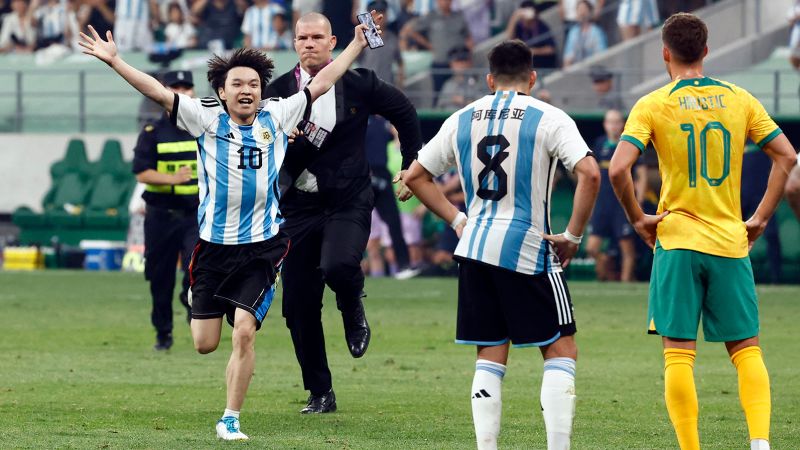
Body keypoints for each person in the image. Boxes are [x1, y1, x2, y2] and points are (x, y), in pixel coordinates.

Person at [79, 13, 378, 439]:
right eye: (237, 84)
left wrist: (355, 45)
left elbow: (323, 80)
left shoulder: (278, 115)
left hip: (262, 248)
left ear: (261, 90)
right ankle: (202, 303)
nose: (247, 90)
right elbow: (158, 90)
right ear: (221, 92)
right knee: (205, 343)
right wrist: (115, 61)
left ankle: (231, 418)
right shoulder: (205, 119)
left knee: (244, 332)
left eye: (253, 84)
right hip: (213, 249)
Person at [608, 13, 797, 450]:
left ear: (665, 54)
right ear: (706, 51)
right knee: (746, 350)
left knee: (678, 354)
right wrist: (761, 218)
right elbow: (786, 158)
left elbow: (618, 168)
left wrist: (638, 218)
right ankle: (760, 442)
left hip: (676, 240)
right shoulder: (740, 99)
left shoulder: (654, 104)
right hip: (731, 242)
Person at [405, 39, 601, 450]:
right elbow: (590, 173)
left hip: (475, 247)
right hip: (528, 248)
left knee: (491, 353)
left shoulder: (462, 117)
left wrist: (458, 219)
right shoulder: (549, 116)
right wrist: (573, 236)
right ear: (533, 77)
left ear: (490, 79)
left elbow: (415, 177)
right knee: (561, 348)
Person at [265, 12, 422, 414]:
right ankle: (320, 392)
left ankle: (352, 305)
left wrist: (410, 162)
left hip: (348, 198)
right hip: (297, 206)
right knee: (298, 306)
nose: (309, 44)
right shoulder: (277, 92)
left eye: (317, 37)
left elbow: (404, 112)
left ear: (332, 41)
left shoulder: (360, 82)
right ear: (294, 42)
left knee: (338, 266)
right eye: (303, 38)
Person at [131, 70, 199, 351]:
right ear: (164, 91)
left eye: (187, 87)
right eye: (176, 87)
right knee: (160, 278)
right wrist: (172, 179)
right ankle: (163, 332)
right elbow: (141, 173)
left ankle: (189, 297)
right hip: (161, 215)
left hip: (194, 215)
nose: (182, 92)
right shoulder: (152, 133)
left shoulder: (202, 127)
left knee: (198, 265)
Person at [585, 109, 644, 282]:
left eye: (616, 122)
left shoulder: (629, 144)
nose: (613, 125)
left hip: (622, 204)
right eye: (609, 122)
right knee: (591, 248)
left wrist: (638, 200)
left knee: (627, 249)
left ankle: (625, 283)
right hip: (602, 204)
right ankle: (606, 269)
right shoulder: (599, 143)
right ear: (605, 124)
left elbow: (641, 174)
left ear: (622, 124)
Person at [401, 0, 472, 101]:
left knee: (461, 92)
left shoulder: (458, 16)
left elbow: (468, 36)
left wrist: (468, 51)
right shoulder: (431, 17)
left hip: (458, 63)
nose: (446, 2)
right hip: (440, 62)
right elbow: (410, 30)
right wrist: (428, 45)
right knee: (438, 95)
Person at [505, 1, 557, 70]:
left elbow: (551, 49)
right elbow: (509, 40)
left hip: (544, 65)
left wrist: (533, 51)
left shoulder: (541, 26)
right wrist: (514, 17)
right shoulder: (519, 27)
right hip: (526, 67)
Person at [435, 46, 485, 110]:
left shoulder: (478, 81)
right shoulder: (448, 84)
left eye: (464, 60)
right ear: (451, 64)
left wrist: (462, 100)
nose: (461, 64)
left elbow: (484, 106)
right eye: (458, 61)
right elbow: (439, 107)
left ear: (470, 62)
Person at [562, 0, 606, 67]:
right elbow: (568, 57)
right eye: (579, 10)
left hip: (594, 67)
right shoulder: (573, 32)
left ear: (589, 12)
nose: (582, 13)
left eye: (584, 9)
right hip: (577, 70)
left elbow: (601, 54)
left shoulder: (597, 32)